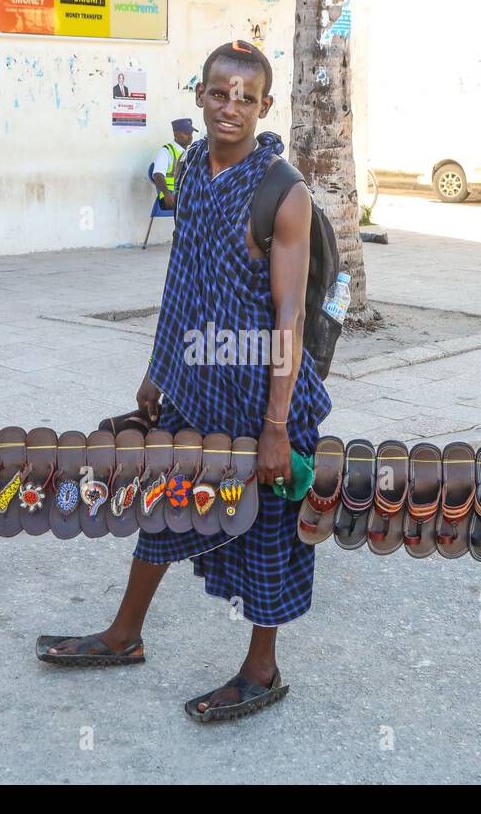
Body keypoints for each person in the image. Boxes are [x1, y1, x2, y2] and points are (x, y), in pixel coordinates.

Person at [41, 40, 332, 723]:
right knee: (162, 508)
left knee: (268, 533)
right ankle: (123, 635)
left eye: (245, 98)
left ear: (264, 107)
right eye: (218, 93)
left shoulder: (281, 193)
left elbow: (289, 315)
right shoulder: (193, 171)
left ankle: (262, 669)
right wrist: (158, 367)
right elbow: (183, 279)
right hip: (196, 389)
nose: (230, 107)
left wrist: (275, 426)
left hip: (265, 398)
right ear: (199, 95)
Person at [151, 118, 195, 211]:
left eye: (191, 133)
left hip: (187, 195)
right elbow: (157, 175)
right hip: (170, 196)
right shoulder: (166, 151)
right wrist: (167, 194)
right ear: (176, 134)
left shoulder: (192, 152)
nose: (190, 136)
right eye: (186, 133)